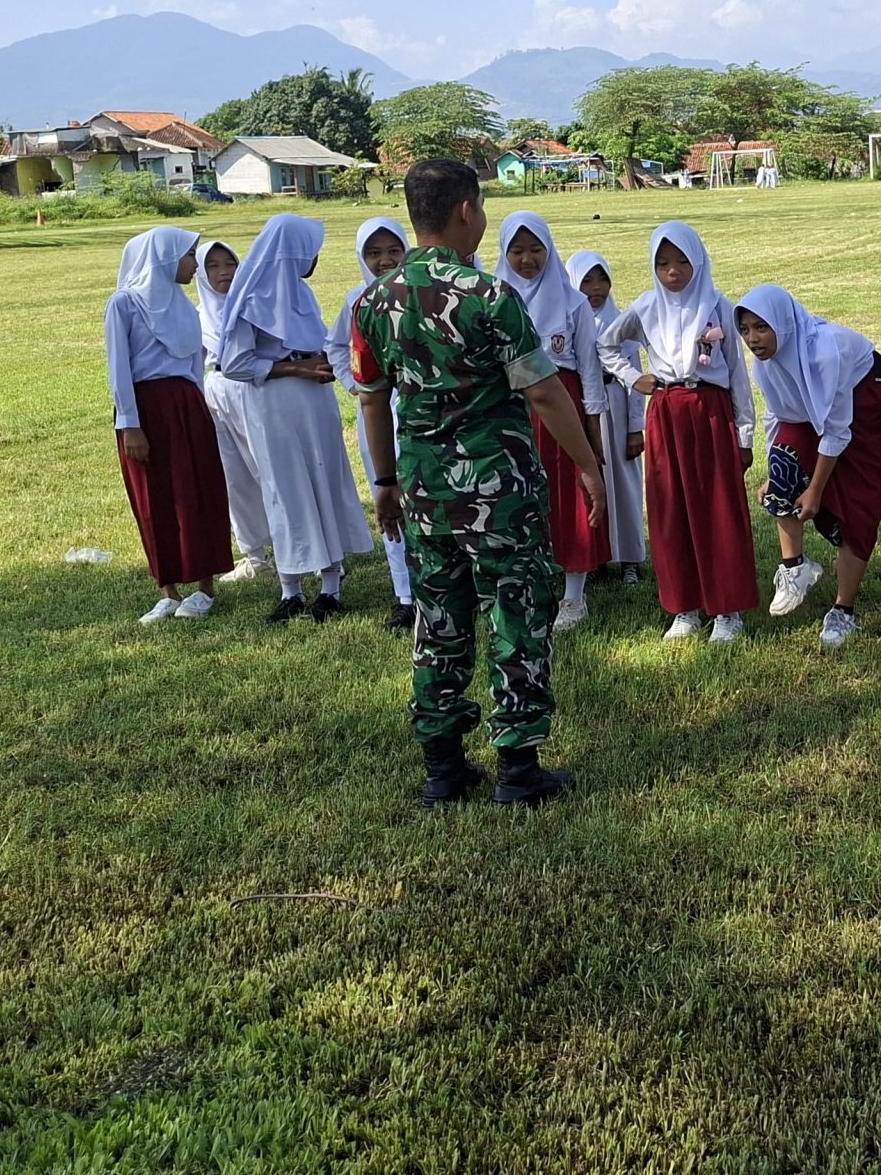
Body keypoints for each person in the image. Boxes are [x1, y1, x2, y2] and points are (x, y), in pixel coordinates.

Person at [348, 159, 605, 808]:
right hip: (499, 490)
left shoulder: (372, 302)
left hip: (422, 490)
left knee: (438, 620)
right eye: (482, 206)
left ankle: (443, 769)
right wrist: (588, 464)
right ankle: (518, 770)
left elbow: (372, 399)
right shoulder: (489, 296)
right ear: (466, 210)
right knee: (515, 613)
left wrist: (385, 481)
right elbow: (543, 392)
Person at [597, 222, 759, 643]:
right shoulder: (647, 307)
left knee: (716, 508)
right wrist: (633, 377)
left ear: (699, 261)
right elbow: (606, 344)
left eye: (683, 261)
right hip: (667, 412)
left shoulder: (717, 305)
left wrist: (744, 435)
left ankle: (726, 609)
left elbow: (737, 373)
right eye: (663, 263)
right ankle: (684, 606)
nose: (673, 271)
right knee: (671, 509)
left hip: (709, 412)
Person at [735, 282, 881, 648]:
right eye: (745, 329)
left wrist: (814, 490)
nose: (752, 339)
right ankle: (795, 568)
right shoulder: (764, 368)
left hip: (869, 402)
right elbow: (776, 417)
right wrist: (775, 476)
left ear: (783, 323)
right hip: (821, 416)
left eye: (762, 327)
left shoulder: (826, 353)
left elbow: (836, 430)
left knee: (857, 509)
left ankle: (843, 611)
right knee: (783, 465)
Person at [219, 212, 375, 622]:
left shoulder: (301, 293)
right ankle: (290, 588)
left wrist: (321, 362)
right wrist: (294, 368)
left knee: (325, 481)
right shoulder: (252, 298)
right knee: (284, 489)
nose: (315, 259)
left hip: (315, 402)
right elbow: (234, 364)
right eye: (311, 251)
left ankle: (331, 586)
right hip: (274, 404)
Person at [104, 225, 232, 621]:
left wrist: (200, 411)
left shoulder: (184, 307)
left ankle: (205, 587)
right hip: (145, 408)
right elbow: (119, 368)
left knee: (199, 489)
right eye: (189, 255)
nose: (195, 265)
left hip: (186, 405)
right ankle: (169, 590)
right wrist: (130, 424)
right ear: (163, 257)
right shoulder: (124, 304)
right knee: (154, 495)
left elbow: (194, 366)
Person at [495, 212, 609, 632]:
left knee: (568, 494)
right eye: (517, 250)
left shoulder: (573, 302)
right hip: (510, 409)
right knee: (517, 497)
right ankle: (527, 584)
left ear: (550, 249)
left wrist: (593, 433)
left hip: (561, 406)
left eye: (535, 249)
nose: (527, 259)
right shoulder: (494, 298)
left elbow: (589, 371)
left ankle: (574, 594)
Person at [325, 216, 415, 628]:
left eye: (394, 250)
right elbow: (335, 347)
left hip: (421, 409)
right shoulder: (356, 300)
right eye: (374, 253)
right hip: (376, 415)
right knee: (389, 496)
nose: (385, 261)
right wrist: (355, 385)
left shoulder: (419, 294)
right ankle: (405, 594)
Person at [195, 237, 274, 583]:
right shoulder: (197, 316)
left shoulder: (253, 305)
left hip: (251, 389)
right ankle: (255, 554)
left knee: (267, 468)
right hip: (215, 391)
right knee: (233, 476)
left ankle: (302, 546)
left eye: (229, 264)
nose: (223, 272)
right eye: (212, 266)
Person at [569, 250, 648, 585]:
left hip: (615, 406)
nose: (596, 288)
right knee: (592, 482)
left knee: (624, 483)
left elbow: (635, 378)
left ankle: (630, 557)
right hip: (584, 410)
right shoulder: (570, 319)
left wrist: (635, 428)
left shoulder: (619, 322)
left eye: (602, 279)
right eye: (587, 281)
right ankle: (597, 555)